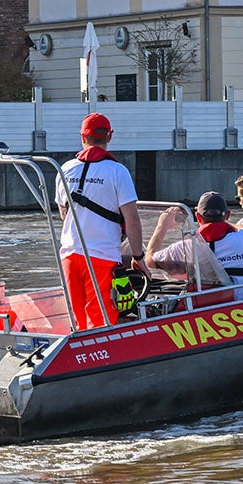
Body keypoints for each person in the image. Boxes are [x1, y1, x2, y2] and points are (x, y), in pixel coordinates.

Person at [55, 113, 145, 330]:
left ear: (82, 137)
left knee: (78, 319)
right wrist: (138, 257)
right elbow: (132, 220)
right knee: (102, 320)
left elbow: (63, 214)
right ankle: (102, 357)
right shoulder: (117, 171)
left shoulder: (64, 169)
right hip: (102, 257)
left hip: (69, 255)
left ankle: (79, 356)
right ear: (110, 136)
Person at [147, 192, 243, 302]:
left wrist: (161, 226)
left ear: (198, 217)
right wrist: (222, 223)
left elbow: (150, 261)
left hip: (214, 304)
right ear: (228, 215)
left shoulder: (187, 246)